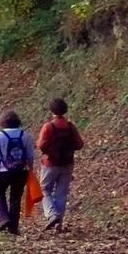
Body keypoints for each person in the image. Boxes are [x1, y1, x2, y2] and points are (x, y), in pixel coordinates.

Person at [36, 97, 85, 232]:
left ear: (52, 110)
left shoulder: (48, 126)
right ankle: (59, 224)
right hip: (67, 163)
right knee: (61, 193)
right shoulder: (70, 126)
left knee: (44, 190)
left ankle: (52, 215)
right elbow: (80, 144)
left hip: (50, 163)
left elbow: (40, 145)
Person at [0, 110, 35, 234]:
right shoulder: (26, 135)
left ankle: (4, 218)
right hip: (21, 171)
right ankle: (13, 227)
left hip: (2, 171)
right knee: (16, 198)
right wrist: (31, 170)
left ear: (3, 122)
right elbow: (30, 156)